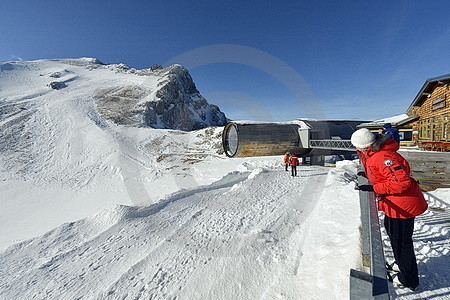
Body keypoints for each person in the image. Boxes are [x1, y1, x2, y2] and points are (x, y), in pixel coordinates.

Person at [351, 128, 428, 291]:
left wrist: (374, 188)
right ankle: (402, 266)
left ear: (365, 146)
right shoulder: (373, 154)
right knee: (394, 236)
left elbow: (402, 183)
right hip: (394, 204)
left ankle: (409, 280)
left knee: (402, 243)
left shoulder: (384, 156)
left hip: (402, 206)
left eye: (357, 147)